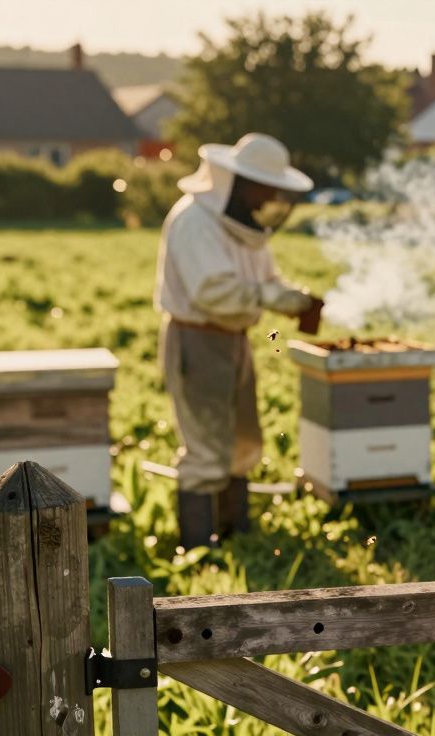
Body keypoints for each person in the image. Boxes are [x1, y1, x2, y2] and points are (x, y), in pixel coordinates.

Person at [154, 133, 321, 548]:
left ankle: (235, 534)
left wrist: (294, 296)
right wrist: (272, 297)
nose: (271, 198)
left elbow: (267, 280)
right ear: (238, 182)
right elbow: (213, 292)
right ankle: (197, 545)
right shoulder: (195, 221)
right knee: (206, 445)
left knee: (243, 440)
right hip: (197, 338)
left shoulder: (245, 226)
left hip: (235, 340)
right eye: (265, 187)